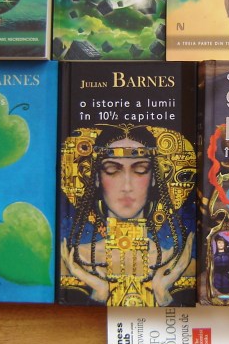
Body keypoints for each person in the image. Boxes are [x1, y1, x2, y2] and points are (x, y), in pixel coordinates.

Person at [61, 124, 194, 306]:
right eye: (112, 169)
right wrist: (99, 293)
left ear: (153, 178)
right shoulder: (75, 260)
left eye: (140, 169)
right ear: (97, 178)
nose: (126, 186)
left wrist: (162, 294)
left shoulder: (176, 262)